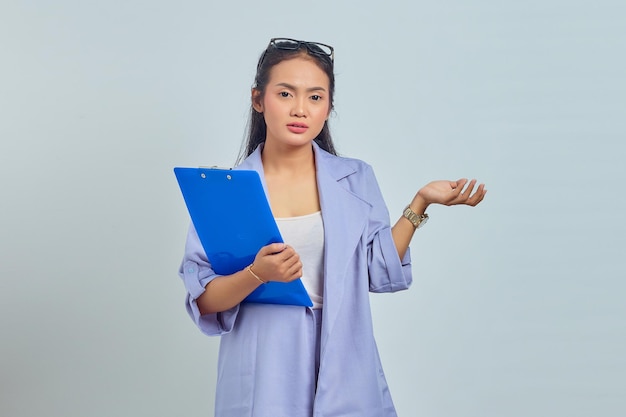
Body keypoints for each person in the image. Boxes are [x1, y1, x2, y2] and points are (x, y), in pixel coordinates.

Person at [178, 38, 486, 417]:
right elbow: (205, 300)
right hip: (265, 361)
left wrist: (419, 204)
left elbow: (377, 269)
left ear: (328, 107)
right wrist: (259, 273)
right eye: (286, 93)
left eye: (315, 97)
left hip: (344, 357)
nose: (299, 109)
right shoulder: (223, 190)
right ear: (258, 99)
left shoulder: (355, 178)